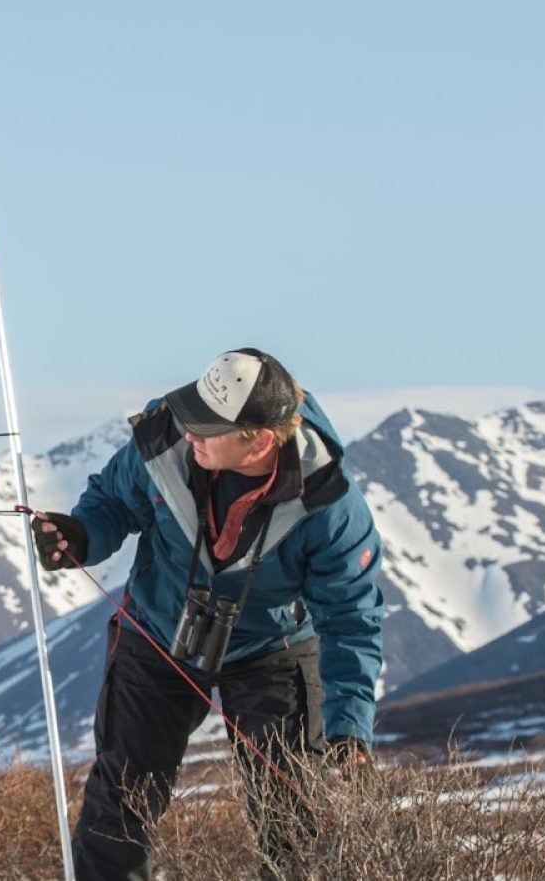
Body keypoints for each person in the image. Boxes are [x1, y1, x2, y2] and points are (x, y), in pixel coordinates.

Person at [30, 349, 383, 881]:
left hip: (274, 651)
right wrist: (81, 536)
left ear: (259, 441)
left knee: (293, 816)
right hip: (157, 632)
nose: (189, 431)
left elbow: (351, 621)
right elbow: (112, 505)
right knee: (119, 802)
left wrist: (349, 728)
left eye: (207, 426)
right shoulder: (163, 437)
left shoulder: (329, 505)